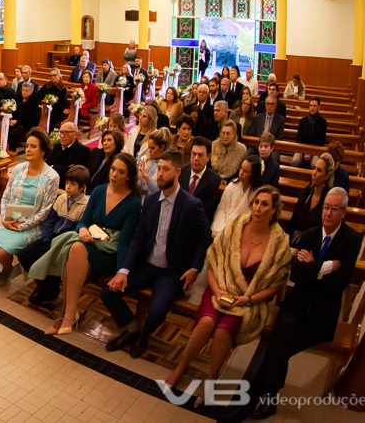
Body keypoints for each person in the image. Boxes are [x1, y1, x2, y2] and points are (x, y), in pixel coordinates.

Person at [227, 188, 360, 421]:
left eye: (334, 209)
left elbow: (341, 282)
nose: (328, 213)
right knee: (284, 335)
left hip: (322, 315)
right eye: (325, 207)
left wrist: (313, 268)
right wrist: (327, 267)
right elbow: (297, 275)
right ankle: (264, 400)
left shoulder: (351, 240)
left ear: (344, 212)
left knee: (279, 347)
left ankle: (252, 402)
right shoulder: (309, 235)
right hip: (296, 305)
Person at [165, 186, 291, 406]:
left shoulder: (279, 243)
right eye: (256, 202)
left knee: (224, 331)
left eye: (264, 204)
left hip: (248, 300)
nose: (258, 208)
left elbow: (274, 286)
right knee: (206, 322)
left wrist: (248, 300)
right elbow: (213, 261)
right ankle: (181, 366)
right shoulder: (236, 226)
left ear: (274, 210)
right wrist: (216, 290)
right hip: (219, 289)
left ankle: (211, 379)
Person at [102, 149, 212, 358]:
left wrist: (194, 268)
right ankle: (131, 328)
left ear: (177, 172)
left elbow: (204, 238)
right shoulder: (151, 201)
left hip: (171, 271)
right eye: (159, 168)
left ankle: (145, 334)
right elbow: (139, 237)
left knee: (157, 310)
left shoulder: (191, 205)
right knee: (109, 292)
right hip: (147, 265)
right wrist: (124, 270)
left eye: (165, 169)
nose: (159, 174)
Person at [32, 153, 142, 335]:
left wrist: (120, 272)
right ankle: (68, 315)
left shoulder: (133, 203)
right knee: (75, 250)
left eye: (121, 172)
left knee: (74, 255)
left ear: (129, 176)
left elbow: (124, 242)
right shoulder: (99, 191)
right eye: (113, 169)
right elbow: (84, 222)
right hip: (90, 245)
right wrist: (82, 229)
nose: (114, 175)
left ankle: (65, 315)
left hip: (109, 254)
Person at [0, 128, 59, 289]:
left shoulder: (52, 176)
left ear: (43, 151)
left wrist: (24, 225)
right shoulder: (18, 169)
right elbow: (6, 196)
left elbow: (46, 209)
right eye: (27, 146)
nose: (28, 150)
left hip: (31, 226)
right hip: (9, 220)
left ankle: (7, 271)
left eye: (33, 146)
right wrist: (4, 219)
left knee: (2, 253)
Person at [20, 165, 91, 305]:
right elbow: (50, 221)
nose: (68, 187)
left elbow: (76, 230)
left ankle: (48, 288)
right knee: (24, 255)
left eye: (73, 184)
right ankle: (46, 286)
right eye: (67, 182)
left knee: (51, 261)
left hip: (63, 245)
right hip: (50, 239)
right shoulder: (62, 198)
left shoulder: (86, 205)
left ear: (83, 187)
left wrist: (55, 244)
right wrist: (46, 239)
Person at [288, 152, 335, 244]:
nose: (314, 173)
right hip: (296, 240)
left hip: (314, 245)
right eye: (314, 168)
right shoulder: (306, 192)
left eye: (319, 170)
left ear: (327, 176)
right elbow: (293, 220)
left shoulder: (328, 199)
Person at [211, 154, 263, 236]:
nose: (241, 173)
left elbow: (251, 219)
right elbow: (221, 209)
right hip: (223, 228)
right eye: (241, 168)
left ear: (253, 175)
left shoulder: (257, 194)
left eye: (246, 171)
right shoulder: (232, 186)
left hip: (242, 233)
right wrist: (221, 229)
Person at [179, 137, 224, 225]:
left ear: (208, 157)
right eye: (194, 154)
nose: (196, 158)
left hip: (197, 223)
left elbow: (206, 210)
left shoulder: (214, 180)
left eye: (200, 155)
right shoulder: (181, 171)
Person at [290, 97, 327, 168]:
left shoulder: (323, 122)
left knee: (315, 164)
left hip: (315, 151)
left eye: (314, 106)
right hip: (302, 149)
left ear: (318, 107)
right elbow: (299, 139)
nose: (312, 108)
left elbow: (321, 142)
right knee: (295, 161)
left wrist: (311, 152)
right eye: (311, 105)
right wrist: (305, 151)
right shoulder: (303, 121)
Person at [9, 82, 41, 150]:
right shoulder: (17, 98)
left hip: (26, 125)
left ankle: (12, 150)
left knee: (14, 132)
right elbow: (13, 111)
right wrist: (11, 120)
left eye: (26, 91)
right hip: (15, 122)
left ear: (31, 92)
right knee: (6, 128)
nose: (24, 92)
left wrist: (17, 121)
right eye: (23, 90)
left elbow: (31, 118)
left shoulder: (34, 102)